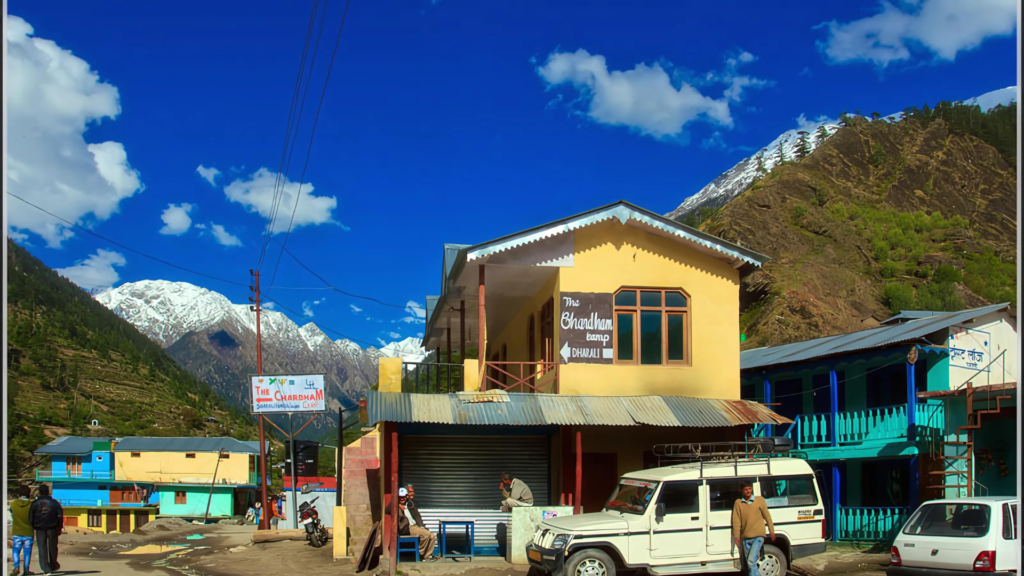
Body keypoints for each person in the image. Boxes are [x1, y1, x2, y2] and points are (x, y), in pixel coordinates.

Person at [731, 482, 775, 576]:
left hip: (758, 536)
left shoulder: (759, 500)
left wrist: (771, 530)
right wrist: (736, 536)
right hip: (746, 537)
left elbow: (767, 516)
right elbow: (736, 521)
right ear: (741, 490)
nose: (748, 491)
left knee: (751, 561)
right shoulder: (738, 503)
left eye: (750, 489)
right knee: (750, 564)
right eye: (746, 489)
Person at [29, 485, 63, 576]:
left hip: (39, 528)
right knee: (53, 547)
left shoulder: (35, 503)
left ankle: (46, 568)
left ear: (39, 492)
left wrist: (34, 527)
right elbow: (59, 516)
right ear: (48, 492)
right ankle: (53, 564)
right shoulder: (54, 503)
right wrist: (59, 528)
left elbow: (31, 518)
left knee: (42, 548)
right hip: (52, 527)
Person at [400, 487, 437, 561]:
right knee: (426, 535)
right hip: (408, 527)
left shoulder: (409, 503)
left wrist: (421, 525)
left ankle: (427, 556)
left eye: (404, 497)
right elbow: (387, 509)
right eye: (400, 497)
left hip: (415, 526)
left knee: (432, 536)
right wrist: (397, 505)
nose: (402, 499)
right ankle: (420, 554)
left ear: (406, 496)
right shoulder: (396, 506)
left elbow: (417, 516)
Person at [10, 485, 35, 576]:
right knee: (27, 552)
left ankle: (16, 568)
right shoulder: (31, 504)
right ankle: (26, 570)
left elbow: (12, 514)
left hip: (16, 531)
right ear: (28, 493)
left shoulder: (13, 504)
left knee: (16, 550)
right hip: (28, 532)